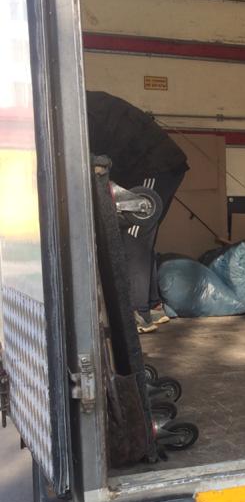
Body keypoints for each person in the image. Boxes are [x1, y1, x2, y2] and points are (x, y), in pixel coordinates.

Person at [86, 91, 189, 332]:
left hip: (153, 166)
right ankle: (153, 306)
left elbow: (86, 159)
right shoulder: (90, 105)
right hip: (162, 166)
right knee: (143, 237)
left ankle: (137, 313)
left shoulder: (79, 113)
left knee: (133, 238)